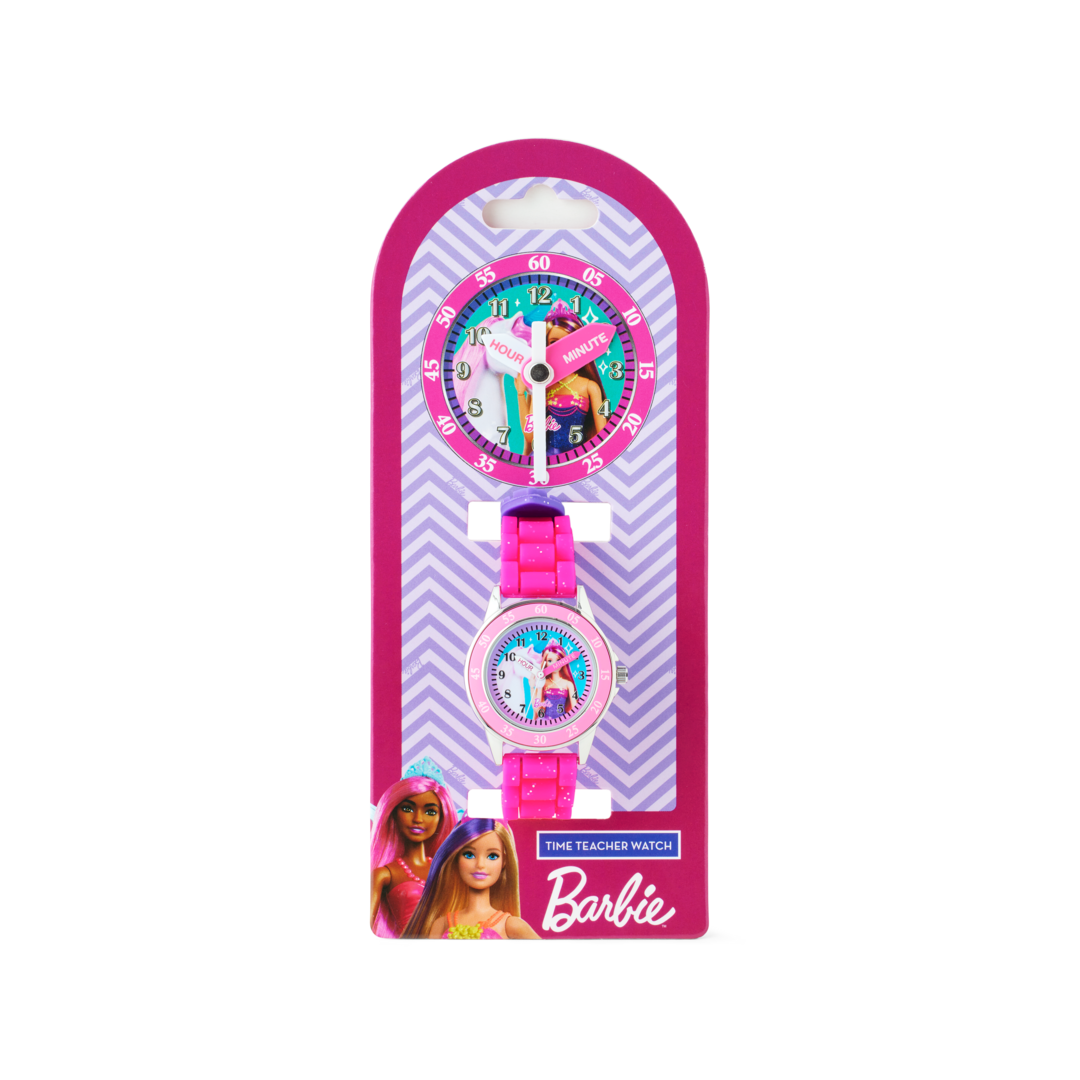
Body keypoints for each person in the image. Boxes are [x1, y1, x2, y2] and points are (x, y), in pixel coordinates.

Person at [401, 818, 541, 939]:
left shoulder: (509, 924)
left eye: (492, 856)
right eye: (469, 854)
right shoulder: (442, 924)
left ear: (504, 861)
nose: (480, 864)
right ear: (456, 858)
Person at [368, 762, 459, 938]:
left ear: (442, 817)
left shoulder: (447, 870)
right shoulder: (384, 874)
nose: (418, 818)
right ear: (394, 812)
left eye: (430, 812)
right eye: (407, 809)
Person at [516, 300, 609, 457]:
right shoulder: (541, 385)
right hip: (543, 457)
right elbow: (530, 437)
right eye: (553, 343)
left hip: (576, 459)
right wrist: (520, 394)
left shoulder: (589, 386)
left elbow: (602, 437)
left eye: (567, 343)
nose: (561, 350)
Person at [533, 644, 579, 721]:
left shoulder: (568, 684)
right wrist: (533, 686)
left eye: (558, 660)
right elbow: (537, 706)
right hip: (544, 720)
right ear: (545, 663)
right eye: (550, 661)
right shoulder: (543, 682)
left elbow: (575, 708)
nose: (554, 664)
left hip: (563, 720)